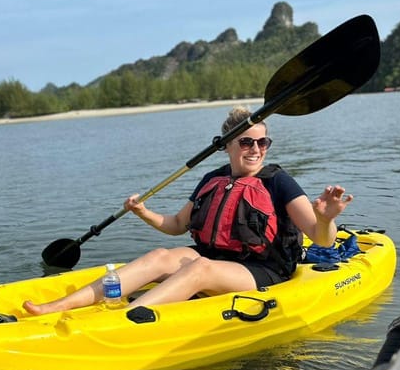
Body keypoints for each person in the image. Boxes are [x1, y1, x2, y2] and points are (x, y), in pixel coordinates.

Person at [23, 106, 352, 315]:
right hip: (215, 256)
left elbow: (320, 239)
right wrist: (143, 212)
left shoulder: (278, 182)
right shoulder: (213, 178)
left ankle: (125, 319)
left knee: (200, 269)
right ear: (226, 145)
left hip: (263, 269)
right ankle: (58, 306)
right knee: (160, 256)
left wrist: (326, 218)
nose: (255, 149)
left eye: (262, 143)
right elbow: (178, 224)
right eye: (246, 142)